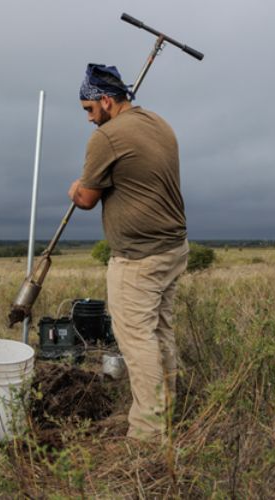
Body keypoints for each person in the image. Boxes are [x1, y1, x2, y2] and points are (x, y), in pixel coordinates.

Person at [67, 63, 189, 441]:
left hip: (138, 257)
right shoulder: (158, 123)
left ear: (106, 100)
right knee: (160, 332)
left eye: (90, 110)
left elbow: (86, 198)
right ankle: (169, 412)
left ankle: (149, 433)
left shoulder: (107, 137)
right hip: (173, 248)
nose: (89, 119)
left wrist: (74, 187)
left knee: (137, 341)